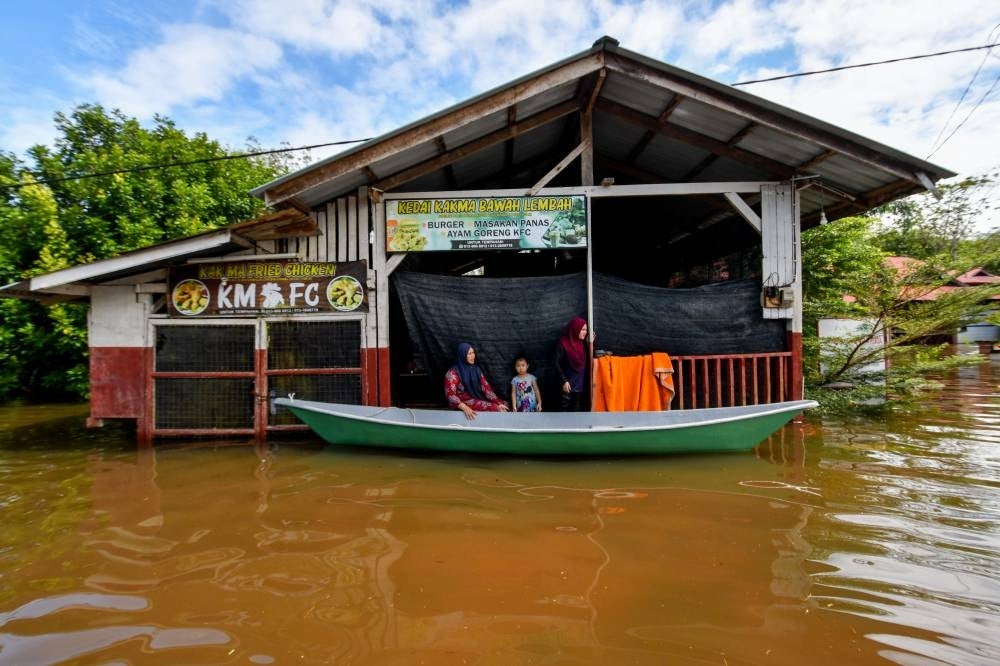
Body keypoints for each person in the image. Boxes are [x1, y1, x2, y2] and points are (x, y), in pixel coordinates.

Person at [444, 342, 509, 420]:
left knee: (504, 404)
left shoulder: (476, 369)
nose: (473, 356)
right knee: (496, 408)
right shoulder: (453, 373)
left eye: (473, 353)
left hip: (476, 398)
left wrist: (497, 402)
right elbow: (450, 394)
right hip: (462, 402)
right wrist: (464, 407)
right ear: (462, 355)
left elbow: (486, 388)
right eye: (469, 354)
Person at [555, 316, 588, 411]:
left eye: (586, 330)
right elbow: (556, 363)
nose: (585, 332)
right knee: (564, 415)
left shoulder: (583, 344)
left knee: (576, 414)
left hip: (579, 387)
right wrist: (563, 381)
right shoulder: (563, 343)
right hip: (566, 387)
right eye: (583, 330)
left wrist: (590, 344)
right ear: (575, 329)